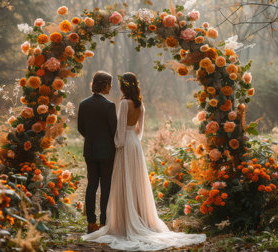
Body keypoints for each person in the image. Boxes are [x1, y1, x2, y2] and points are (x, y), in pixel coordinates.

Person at [82, 72, 206, 251]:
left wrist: (117, 145)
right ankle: (138, 214)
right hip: (135, 144)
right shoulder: (141, 105)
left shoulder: (124, 104)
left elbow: (120, 129)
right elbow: (139, 130)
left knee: (123, 180)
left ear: (124, 87)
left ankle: (121, 218)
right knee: (136, 180)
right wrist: (133, 140)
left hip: (124, 144)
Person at [77, 71, 117, 234]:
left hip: (90, 150)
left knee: (91, 185)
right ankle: (104, 222)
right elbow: (114, 130)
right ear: (104, 85)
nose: (111, 87)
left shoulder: (83, 104)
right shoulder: (109, 106)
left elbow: (81, 128)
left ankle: (91, 223)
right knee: (106, 186)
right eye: (110, 84)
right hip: (107, 152)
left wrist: (92, 138)